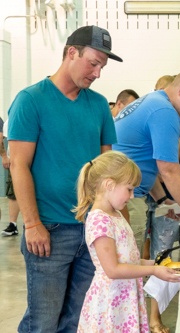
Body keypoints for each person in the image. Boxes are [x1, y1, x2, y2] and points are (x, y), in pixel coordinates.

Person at [8, 25, 120, 332]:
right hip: (50, 230)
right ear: (72, 52)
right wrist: (31, 224)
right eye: (93, 63)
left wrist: (110, 220)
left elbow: (106, 166)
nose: (97, 73)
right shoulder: (31, 100)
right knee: (43, 320)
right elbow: (18, 166)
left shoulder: (97, 104)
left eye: (102, 67)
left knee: (79, 318)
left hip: (91, 228)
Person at [73, 151, 180, 333]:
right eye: (129, 189)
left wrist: (156, 263)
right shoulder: (100, 221)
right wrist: (153, 270)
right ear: (109, 185)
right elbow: (113, 269)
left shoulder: (116, 215)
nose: (132, 196)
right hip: (110, 301)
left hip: (125, 298)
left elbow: (128, 261)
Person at [112, 70, 180, 267]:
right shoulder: (164, 111)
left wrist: (162, 200)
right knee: (129, 266)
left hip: (122, 194)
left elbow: (144, 161)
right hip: (125, 199)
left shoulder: (152, 101)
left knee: (131, 264)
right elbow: (169, 170)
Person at [143, 74, 180, 333]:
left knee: (163, 253)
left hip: (172, 198)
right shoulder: (160, 113)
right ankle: (137, 314)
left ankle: (155, 317)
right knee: (138, 255)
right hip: (149, 192)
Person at [1, 118, 21, 237]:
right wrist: (4, 156)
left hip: (22, 161)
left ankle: (13, 224)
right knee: (13, 192)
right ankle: (12, 224)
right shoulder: (11, 120)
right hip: (15, 162)